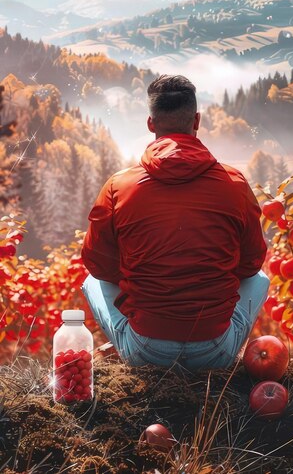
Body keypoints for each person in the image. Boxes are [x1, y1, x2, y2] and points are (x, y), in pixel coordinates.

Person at [81, 74, 269, 372]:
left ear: (150, 123)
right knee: (260, 279)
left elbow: (97, 264)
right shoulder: (234, 183)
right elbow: (251, 264)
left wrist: (144, 279)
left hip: (145, 350)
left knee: (92, 281)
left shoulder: (119, 185)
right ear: (196, 120)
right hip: (215, 350)